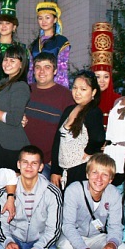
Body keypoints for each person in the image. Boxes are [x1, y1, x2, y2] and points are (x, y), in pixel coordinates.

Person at [56, 153, 125, 249]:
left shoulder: (114, 193)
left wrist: (112, 243)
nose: (99, 178)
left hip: (97, 237)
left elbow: (115, 226)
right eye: (95, 172)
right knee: (67, 248)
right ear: (87, 174)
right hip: (74, 235)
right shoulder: (74, 190)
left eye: (105, 175)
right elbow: (68, 226)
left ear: (111, 179)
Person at [0, 146, 62, 249]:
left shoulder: (52, 192)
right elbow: (0, 223)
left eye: (34, 163)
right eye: (25, 162)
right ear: (18, 164)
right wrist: (8, 242)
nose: (29, 166)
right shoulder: (5, 192)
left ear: (41, 167)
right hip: (15, 239)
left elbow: (54, 229)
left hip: (39, 240)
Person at [50, 71, 105, 190]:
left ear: (93, 92)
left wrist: (88, 151)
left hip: (82, 169)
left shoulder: (93, 112)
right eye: (75, 88)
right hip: (64, 171)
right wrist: (55, 170)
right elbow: (57, 141)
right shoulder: (69, 110)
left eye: (83, 89)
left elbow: (98, 138)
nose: (77, 92)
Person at [24, 52, 74, 180]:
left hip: (48, 163)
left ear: (55, 71)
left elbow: (70, 133)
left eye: (47, 67)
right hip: (23, 160)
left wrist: (56, 162)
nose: (42, 71)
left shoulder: (66, 96)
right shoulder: (24, 91)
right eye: (38, 67)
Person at [28, 1, 70, 87]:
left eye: (47, 18)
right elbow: (31, 70)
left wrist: (59, 89)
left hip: (54, 86)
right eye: (40, 18)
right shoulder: (34, 44)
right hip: (37, 86)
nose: (43, 21)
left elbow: (62, 69)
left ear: (55, 20)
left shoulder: (61, 42)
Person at [90, 22, 120, 128]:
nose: (102, 81)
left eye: (106, 76)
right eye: (98, 76)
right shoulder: (85, 99)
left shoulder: (119, 101)